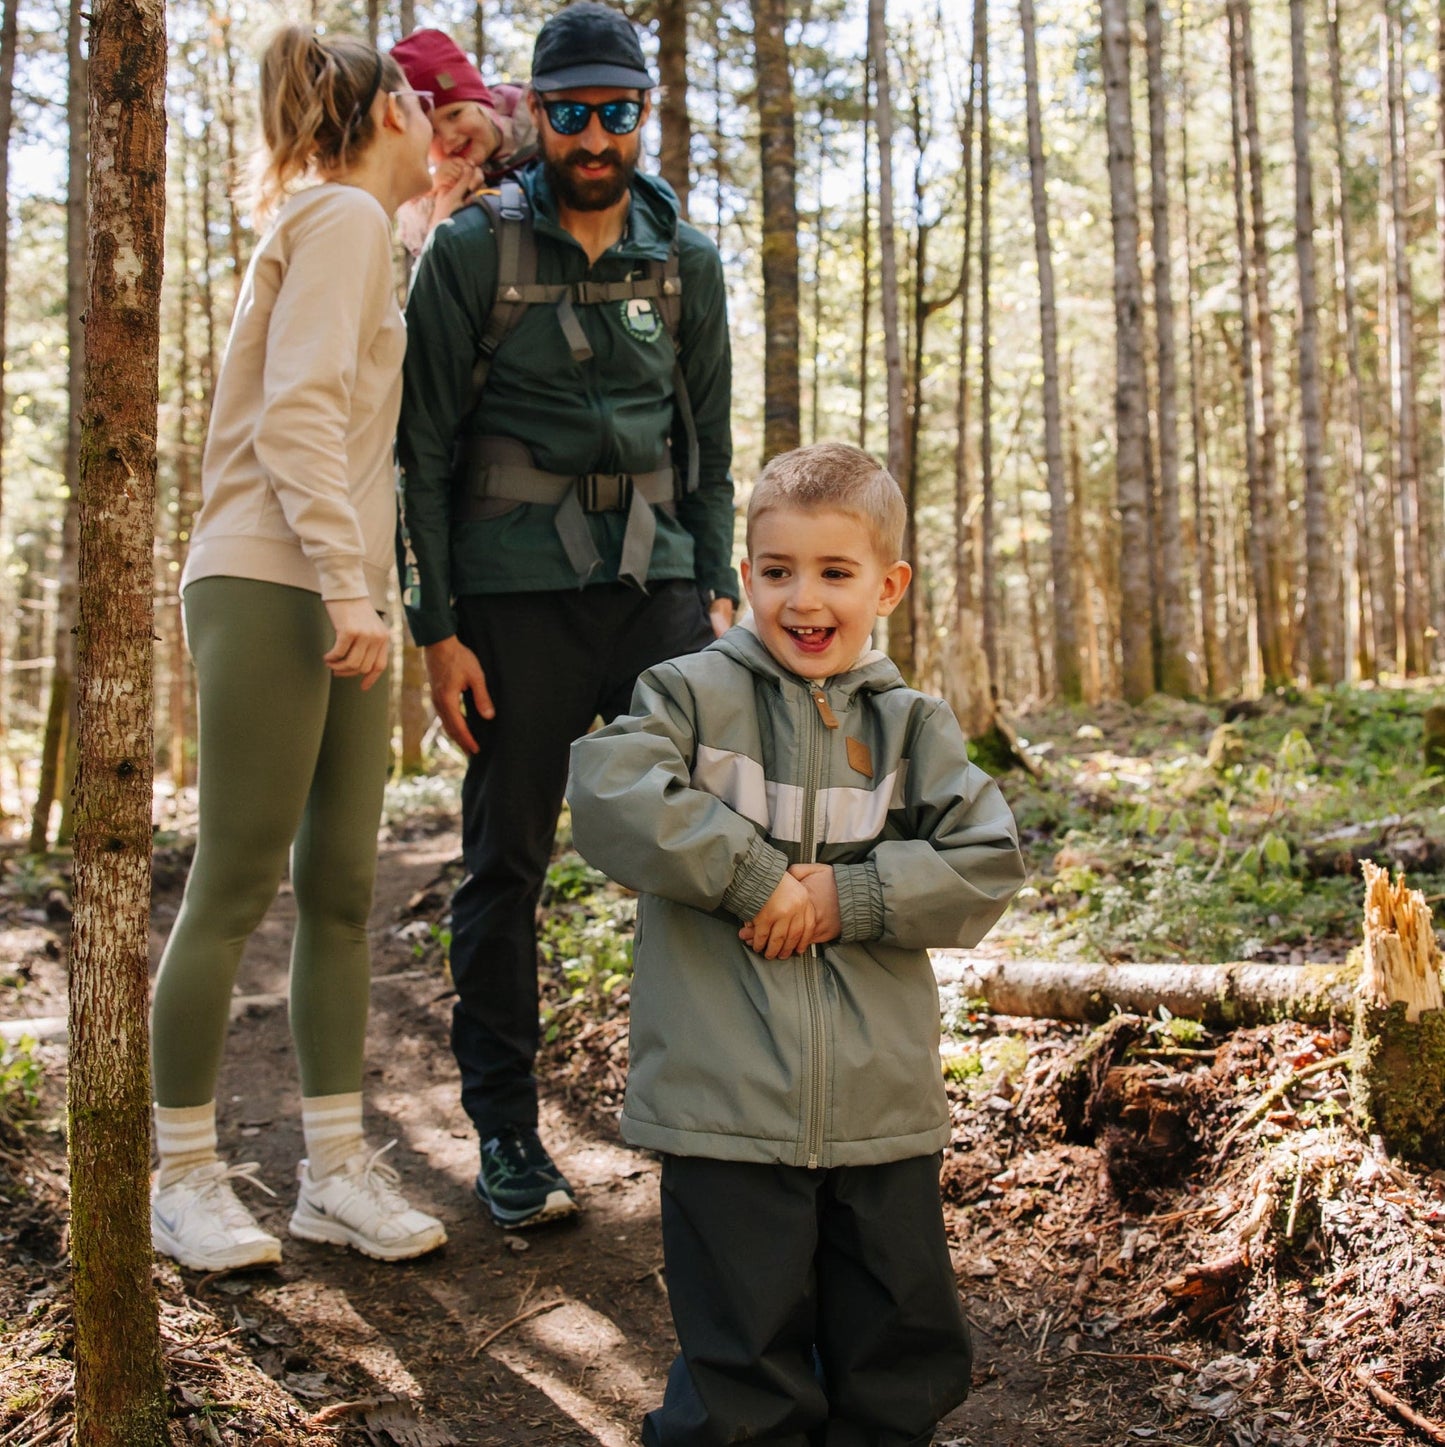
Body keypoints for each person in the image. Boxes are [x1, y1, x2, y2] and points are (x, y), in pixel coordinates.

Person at [566, 442, 1027, 1445]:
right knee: (745, 1365)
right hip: (724, 1105)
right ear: (743, 577)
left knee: (897, 1349)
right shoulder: (689, 696)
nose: (802, 599)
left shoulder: (913, 728)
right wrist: (756, 875)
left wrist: (848, 896)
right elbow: (608, 792)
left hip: (880, 1110)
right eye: (775, 571)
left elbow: (985, 860)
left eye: (833, 571)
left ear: (887, 585)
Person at [396, 1, 737, 1230]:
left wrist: (719, 590)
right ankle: (506, 1135)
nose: (595, 135)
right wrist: (436, 627)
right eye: (572, 111)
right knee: (506, 863)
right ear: (533, 113)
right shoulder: (470, 252)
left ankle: (713, 1120)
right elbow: (421, 446)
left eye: (617, 111)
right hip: (511, 600)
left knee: (704, 853)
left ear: (642, 115)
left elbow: (707, 444)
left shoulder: (684, 258)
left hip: (655, 593)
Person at [148, 26, 448, 1272]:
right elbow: (298, 415)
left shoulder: (362, 231)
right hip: (279, 583)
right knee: (231, 886)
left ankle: (331, 1170)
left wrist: (360, 588)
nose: (440, 122)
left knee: (336, 889)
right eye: (425, 106)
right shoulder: (339, 223)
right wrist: (348, 587)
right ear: (385, 116)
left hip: (329, 591)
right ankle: (183, 1176)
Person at [390, 29, 538, 254]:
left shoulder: (541, 126)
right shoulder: (429, 189)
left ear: (483, 103)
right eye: (432, 133)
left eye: (454, 114)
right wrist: (438, 203)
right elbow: (428, 268)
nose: (449, 137)